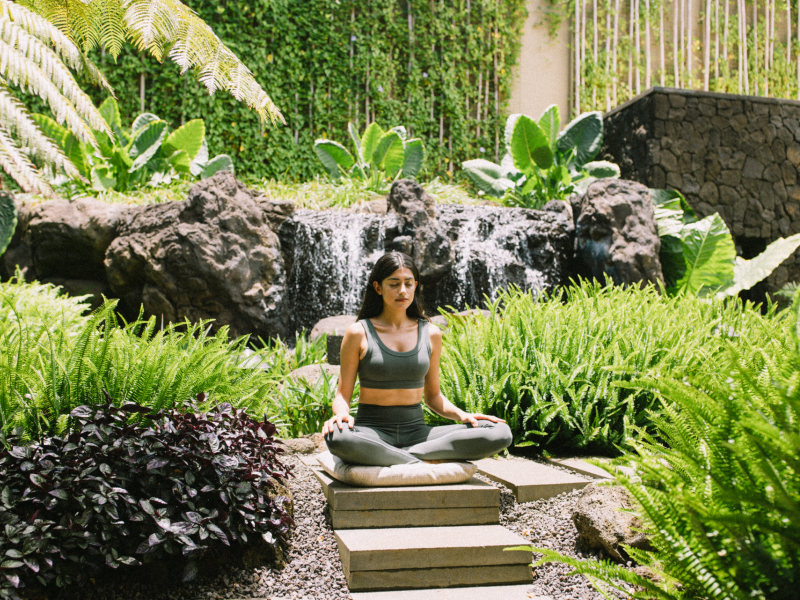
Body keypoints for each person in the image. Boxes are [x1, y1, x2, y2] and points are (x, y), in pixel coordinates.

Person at [322, 251, 513, 466]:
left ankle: (396, 456)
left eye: (408, 283)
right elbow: (342, 395)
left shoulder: (431, 333)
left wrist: (463, 415)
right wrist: (341, 415)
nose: (402, 290)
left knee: (499, 432)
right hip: (371, 432)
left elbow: (434, 397)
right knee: (338, 437)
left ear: (416, 286)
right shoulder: (358, 332)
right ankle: (417, 458)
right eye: (393, 284)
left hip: (418, 433)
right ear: (378, 287)